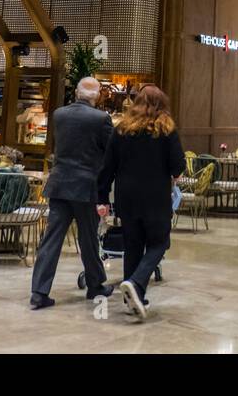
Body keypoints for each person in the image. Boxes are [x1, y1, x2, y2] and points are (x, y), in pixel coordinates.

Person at [96, 84, 185, 320]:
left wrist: (102, 198)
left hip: (127, 196)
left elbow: (107, 167)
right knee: (159, 242)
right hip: (155, 196)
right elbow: (178, 167)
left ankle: (133, 300)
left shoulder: (122, 129)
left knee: (133, 245)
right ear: (161, 105)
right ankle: (135, 283)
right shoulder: (167, 130)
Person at [29, 77, 114, 310]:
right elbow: (110, 153)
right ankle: (95, 286)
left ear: (76, 93)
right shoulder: (101, 119)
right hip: (86, 187)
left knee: (51, 240)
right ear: (97, 96)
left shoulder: (59, 115)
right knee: (88, 239)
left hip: (60, 184)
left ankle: (38, 292)